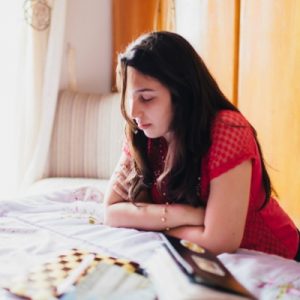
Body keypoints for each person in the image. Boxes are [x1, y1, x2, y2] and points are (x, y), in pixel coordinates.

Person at [103, 31, 300, 261]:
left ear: (181, 93)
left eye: (146, 98)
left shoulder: (228, 130)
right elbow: (111, 211)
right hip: (207, 262)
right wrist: (184, 215)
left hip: (278, 257)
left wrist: (150, 223)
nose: (134, 112)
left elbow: (219, 241)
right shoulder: (143, 131)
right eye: (129, 98)